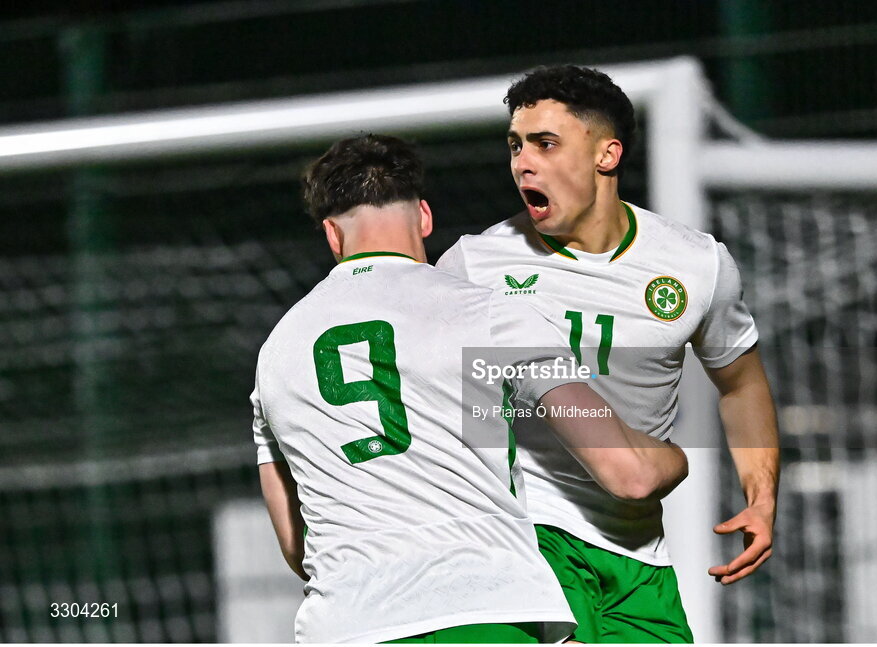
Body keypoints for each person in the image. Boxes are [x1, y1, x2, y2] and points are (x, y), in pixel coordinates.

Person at [252, 134, 689, 643]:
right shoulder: (489, 315)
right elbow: (628, 473)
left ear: (331, 234)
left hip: (344, 626)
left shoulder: (276, 352)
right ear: (423, 218)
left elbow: (295, 545)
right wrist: (675, 456)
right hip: (484, 611)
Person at [436, 65, 780, 643]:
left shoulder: (696, 265)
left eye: (546, 144)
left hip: (637, 554)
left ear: (607, 155)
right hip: (524, 538)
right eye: (516, 145)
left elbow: (741, 384)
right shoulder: (473, 265)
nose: (524, 162)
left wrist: (762, 495)